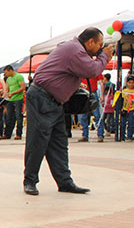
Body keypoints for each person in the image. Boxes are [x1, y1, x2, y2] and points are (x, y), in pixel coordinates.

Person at [23, 27, 114, 196]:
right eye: (99, 44)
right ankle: (30, 181)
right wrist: (105, 56)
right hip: (43, 97)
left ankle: (64, 181)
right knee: (38, 140)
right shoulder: (74, 50)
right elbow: (92, 70)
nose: (101, 48)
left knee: (59, 142)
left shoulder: (74, 48)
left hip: (55, 101)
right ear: (90, 42)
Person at [78, 74, 104, 142]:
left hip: (91, 93)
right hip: (85, 93)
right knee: (85, 116)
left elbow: (101, 82)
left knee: (95, 115)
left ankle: (99, 135)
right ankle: (86, 135)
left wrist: (102, 95)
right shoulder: (81, 70)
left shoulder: (93, 69)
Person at [3, 65, 25, 140]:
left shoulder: (19, 77)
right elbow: (7, 89)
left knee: (18, 116)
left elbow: (23, 87)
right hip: (10, 100)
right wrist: (4, 97)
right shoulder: (8, 79)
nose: (6, 74)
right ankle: (7, 134)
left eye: (6, 72)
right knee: (9, 117)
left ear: (10, 70)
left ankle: (19, 134)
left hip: (18, 99)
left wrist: (14, 93)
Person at [119, 75, 134, 141]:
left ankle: (129, 136)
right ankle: (122, 136)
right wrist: (120, 108)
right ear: (127, 83)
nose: (131, 84)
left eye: (132, 83)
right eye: (129, 82)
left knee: (131, 123)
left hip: (132, 109)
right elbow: (121, 100)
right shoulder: (124, 91)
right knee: (122, 124)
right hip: (124, 109)